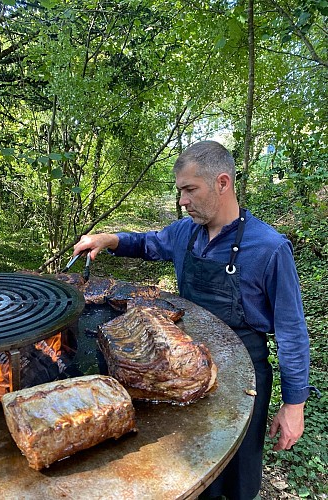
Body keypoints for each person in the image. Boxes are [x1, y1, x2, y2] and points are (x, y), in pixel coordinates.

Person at [73, 140, 312, 500]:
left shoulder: (269, 247)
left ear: (222, 183)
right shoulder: (187, 233)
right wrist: (107, 239)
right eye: (180, 191)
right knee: (193, 471)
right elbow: (148, 244)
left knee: (238, 474)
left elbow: (292, 332)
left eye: (189, 189)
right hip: (184, 365)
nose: (183, 200)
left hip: (245, 376)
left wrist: (294, 405)